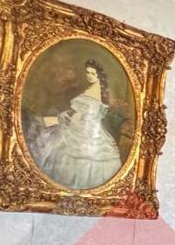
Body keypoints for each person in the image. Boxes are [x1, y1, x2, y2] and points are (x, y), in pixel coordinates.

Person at [28, 60, 125, 189]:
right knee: (50, 134)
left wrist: (64, 119)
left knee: (62, 146)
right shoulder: (97, 89)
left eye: (93, 73)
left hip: (84, 129)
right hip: (79, 125)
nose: (89, 76)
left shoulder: (97, 91)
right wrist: (64, 118)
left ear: (99, 75)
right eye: (88, 72)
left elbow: (89, 114)